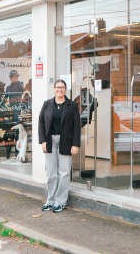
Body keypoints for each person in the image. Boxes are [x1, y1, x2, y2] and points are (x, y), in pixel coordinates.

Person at [38, 79, 80, 213]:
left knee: (64, 172)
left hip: (66, 142)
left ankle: (60, 202)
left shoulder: (72, 105)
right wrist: (43, 141)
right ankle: (50, 201)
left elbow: (77, 127)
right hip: (50, 141)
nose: (60, 90)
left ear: (65, 90)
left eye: (62, 88)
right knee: (51, 173)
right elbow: (41, 124)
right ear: (54, 89)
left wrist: (75, 144)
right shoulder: (47, 104)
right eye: (57, 87)